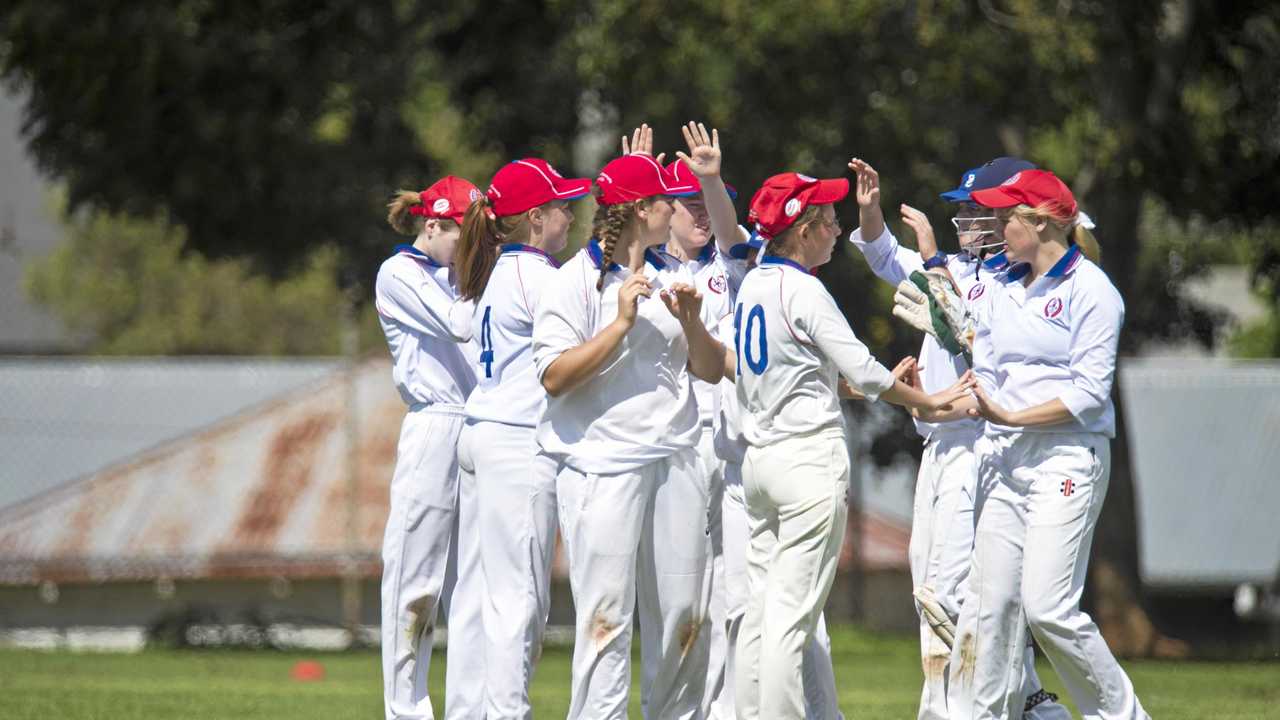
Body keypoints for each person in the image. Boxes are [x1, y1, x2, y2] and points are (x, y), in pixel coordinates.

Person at [732, 170, 972, 720]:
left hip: (761, 462)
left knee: (761, 611)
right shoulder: (804, 289)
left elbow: (794, 371)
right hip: (806, 460)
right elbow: (863, 370)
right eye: (829, 221)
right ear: (804, 230)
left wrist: (880, 382)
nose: (837, 230)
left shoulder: (754, 284)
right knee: (791, 620)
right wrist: (928, 401)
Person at [917, 169, 1148, 720]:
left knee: (1048, 609)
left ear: (1039, 222)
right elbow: (986, 386)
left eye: (1004, 216)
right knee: (988, 610)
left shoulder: (1093, 292)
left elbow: (1090, 396)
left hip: (1067, 460)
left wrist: (1013, 415)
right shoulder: (1005, 291)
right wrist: (912, 398)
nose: (995, 227)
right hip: (1006, 461)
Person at [848, 158, 1070, 720]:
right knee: (932, 588)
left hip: (977, 445)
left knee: (956, 594)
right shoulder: (958, 268)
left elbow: (981, 344)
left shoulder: (1010, 280)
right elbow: (877, 252)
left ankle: (976, 708)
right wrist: (872, 210)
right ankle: (1027, 704)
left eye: (976, 210)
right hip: (937, 446)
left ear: (1007, 217)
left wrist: (932, 263)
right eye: (961, 211)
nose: (965, 220)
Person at [532, 150, 726, 720]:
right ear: (643, 210)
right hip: (602, 466)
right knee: (605, 619)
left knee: (685, 614)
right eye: (668, 198)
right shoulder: (572, 282)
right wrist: (620, 323)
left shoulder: (677, 275)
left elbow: (710, 370)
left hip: (678, 457)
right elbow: (554, 377)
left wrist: (690, 321)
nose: (677, 207)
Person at [452, 158, 592, 719]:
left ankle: (471, 711)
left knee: (479, 597)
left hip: (482, 433)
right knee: (519, 602)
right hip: (515, 442)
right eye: (561, 206)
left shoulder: (494, 274)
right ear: (536, 218)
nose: (569, 215)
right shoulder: (538, 277)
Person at [376, 176, 484, 720]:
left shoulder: (458, 271)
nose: (475, 246)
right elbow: (461, 324)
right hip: (434, 423)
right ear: (435, 223)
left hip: (481, 425)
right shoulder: (399, 272)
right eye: (468, 233)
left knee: (475, 581)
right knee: (414, 580)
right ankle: (406, 710)